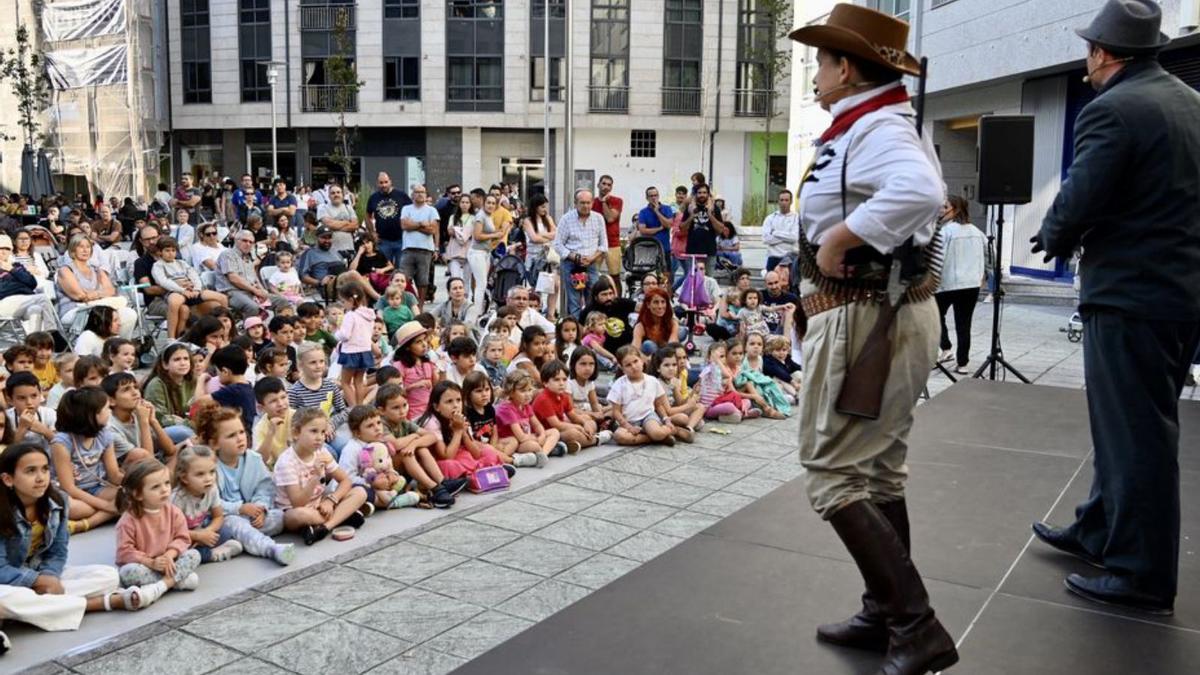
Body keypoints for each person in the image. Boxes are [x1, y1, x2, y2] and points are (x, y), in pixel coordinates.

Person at [789, 6, 958, 671]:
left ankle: (915, 626)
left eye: (823, 61)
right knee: (880, 468)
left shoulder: (880, 126)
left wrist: (840, 235)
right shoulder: (872, 123)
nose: (817, 72)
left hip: (866, 316)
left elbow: (921, 191)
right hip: (883, 314)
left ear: (847, 68)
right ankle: (886, 612)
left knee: (831, 469)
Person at [1029, 0, 1200, 617]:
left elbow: (1081, 195)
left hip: (1131, 294)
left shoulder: (1114, 109)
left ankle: (1141, 573)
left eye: (1088, 50)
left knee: (1137, 437)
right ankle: (1099, 529)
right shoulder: (1189, 103)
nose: (1085, 60)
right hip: (1179, 295)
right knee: (1125, 426)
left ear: (1104, 54)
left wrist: (1052, 235)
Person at [0, 442, 156, 636]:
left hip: (38, 570)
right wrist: (36, 581)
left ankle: (31, 608)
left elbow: (58, 551)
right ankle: (98, 604)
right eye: (30, 471)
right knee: (6, 598)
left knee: (108, 575)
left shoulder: (58, 502)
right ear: (8, 479)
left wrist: (49, 575)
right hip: (8, 581)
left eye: (45, 469)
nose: (41, 478)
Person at [273, 408, 368, 545]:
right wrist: (316, 476)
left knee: (360, 492)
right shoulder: (286, 462)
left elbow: (345, 481)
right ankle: (342, 516)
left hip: (320, 504)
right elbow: (297, 503)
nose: (320, 437)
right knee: (298, 515)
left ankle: (324, 527)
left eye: (323, 432)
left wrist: (331, 501)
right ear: (296, 433)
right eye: (313, 431)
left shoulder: (321, 452)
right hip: (295, 510)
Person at [114, 459, 202, 600]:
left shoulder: (174, 512)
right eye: (155, 487)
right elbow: (124, 552)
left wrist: (169, 555)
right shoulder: (128, 521)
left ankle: (162, 584)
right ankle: (174, 582)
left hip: (170, 562)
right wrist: (151, 562)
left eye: (167, 483)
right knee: (127, 572)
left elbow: (182, 538)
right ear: (138, 494)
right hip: (145, 565)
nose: (164, 490)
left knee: (194, 554)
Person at [934, 195, 985, 374]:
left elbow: (937, 259)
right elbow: (989, 255)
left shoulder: (945, 232)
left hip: (948, 284)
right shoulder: (978, 232)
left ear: (954, 209)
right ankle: (962, 363)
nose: (941, 210)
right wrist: (983, 275)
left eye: (944, 207)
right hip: (971, 285)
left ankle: (944, 348)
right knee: (964, 324)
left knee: (933, 317)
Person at [54, 235, 138, 339]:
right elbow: (80, 296)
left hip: (98, 307)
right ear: (72, 250)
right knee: (108, 313)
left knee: (129, 314)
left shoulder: (97, 269)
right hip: (74, 310)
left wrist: (94, 294)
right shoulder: (65, 270)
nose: (85, 250)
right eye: (81, 247)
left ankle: (118, 347)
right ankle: (106, 347)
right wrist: (101, 293)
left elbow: (111, 291)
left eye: (88, 247)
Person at [552, 190, 608, 317]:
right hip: (571, 264)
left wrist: (592, 258)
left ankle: (591, 326)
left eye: (588, 203)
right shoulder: (566, 219)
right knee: (574, 300)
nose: (585, 206)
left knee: (593, 297)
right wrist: (574, 257)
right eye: (582, 203)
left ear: (592, 203)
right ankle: (577, 329)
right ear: (575, 203)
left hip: (591, 264)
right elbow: (557, 244)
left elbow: (604, 245)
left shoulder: (598, 218)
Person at [335, 281, 376, 406]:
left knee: (345, 382)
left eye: (343, 302)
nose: (343, 305)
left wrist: (337, 334)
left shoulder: (350, 315)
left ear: (350, 300)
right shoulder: (369, 315)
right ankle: (360, 405)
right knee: (359, 382)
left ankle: (353, 408)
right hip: (365, 351)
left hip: (351, 352)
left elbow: (345, 335)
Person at [398, 184, 439, 305]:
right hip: (408, 249)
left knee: (423, 281)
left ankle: (420, 306)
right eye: (417, 192)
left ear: (426, 195)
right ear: (412, 194)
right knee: (403, 278)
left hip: (425, 250)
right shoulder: (406, 209)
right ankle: (404, 303)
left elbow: (432, 230)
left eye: (422, 192)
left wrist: (413, 225)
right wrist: (422, 223)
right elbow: (404, 225)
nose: (420, 194)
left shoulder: (432, 210)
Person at [580, 274, 636, 356]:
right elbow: (580, 332)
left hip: (627, 347)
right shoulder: (588, 310)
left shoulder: (621, 303)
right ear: (596, 297)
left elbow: (644, 308)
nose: (609, 297)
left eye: (610, 293)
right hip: (603, 352)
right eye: (604, 294)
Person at [366, 171, 412, 268]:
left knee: (401, 269)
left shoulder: (401, 195)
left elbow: (411, 212)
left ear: (390, 182)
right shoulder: (373, 198)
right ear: (377, 183)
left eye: (386, 182)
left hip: (401, 239)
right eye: (381, 183)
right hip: (383, 240)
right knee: (384, 269)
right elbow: (367, 215)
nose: (383, 185)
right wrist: (372, 233)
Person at [591, 175, 624, 293]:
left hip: (612, 243)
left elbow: (610, 218)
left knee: (615, 276)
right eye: (604, 183)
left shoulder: (617, 201)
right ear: (598, 185)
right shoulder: (591, 202)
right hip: (595, 244)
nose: (606, 187)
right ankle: (593, 301)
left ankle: (618, 302)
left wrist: (604, 202)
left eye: (609, 185)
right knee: (592, 275)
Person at [678, 184, 724, 270]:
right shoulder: (690, 208)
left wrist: (710, 214)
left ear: (708, 194)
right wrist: (692, 215)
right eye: (699, 192)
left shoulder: (715, 208)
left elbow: (720, 229)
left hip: (709, 252)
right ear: (695, 194)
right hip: (692, 252)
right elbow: (682, 228)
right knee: (692, 280)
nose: (702, 195)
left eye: (704, 192)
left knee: (709, 280)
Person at [632, 287, 684, 355]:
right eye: (656, 302)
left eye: (663, 302)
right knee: (648, 345)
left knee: (683, 331)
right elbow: (635, 349)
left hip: (667, 356)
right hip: (650, 359)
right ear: (648, 305)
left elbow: (671, 346)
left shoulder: (672, 323)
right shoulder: (640, 326)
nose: (660, 306)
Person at [637, 187, 676, 274]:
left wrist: (657, 212)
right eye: (651, 196)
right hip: (649, 249)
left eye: (655, 195)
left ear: (658, 196)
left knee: (667, 274)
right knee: (650, 274)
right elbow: (643, 230)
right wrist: (659, 228)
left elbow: (669, 225)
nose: (654, 198)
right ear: (647, 198)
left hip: (664, 248)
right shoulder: (643, 212)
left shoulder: (667, 209)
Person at [522, 193, 557, 286]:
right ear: (535, 207)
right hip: (534, 260)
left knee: (552, 287)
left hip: (548, 258)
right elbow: (534, 238)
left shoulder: (548, 219)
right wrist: (548, 238)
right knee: (535, 288)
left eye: (545, 207)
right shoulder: (528, 221)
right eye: (542, 207)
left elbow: (556, 234)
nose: (545, 209)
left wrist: (542, 234)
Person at [762, 189, 799, 274]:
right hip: (773, 258)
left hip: (790, 258)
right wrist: (787, 237)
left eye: (786, 200)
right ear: (778, 201)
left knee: (789, 285)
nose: (784, 202)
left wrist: (775, 233)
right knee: (771, 285)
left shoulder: (796, 218)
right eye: (781, 200)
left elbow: (794, 237)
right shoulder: (770, 218)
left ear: (791, 201)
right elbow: (766, 239)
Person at [317, 184, 358, 256]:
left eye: (338, 192)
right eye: (333, 193)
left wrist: (335, 226)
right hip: (331, 250)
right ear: (329, 196)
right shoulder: (323, 208)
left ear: (342, 194)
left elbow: (355, 225)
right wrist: (347, 222)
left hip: (349, 248)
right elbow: (329, 225)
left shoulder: (349, 208)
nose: (336, 195)